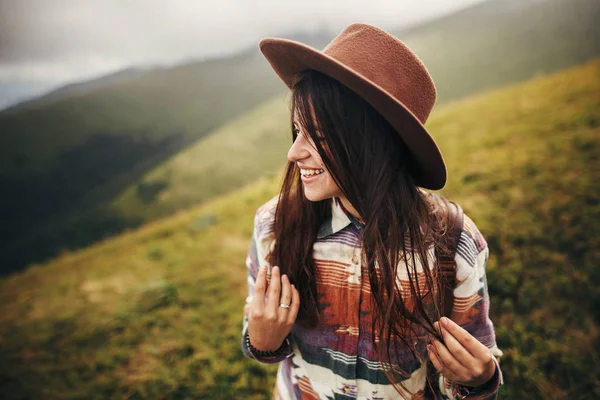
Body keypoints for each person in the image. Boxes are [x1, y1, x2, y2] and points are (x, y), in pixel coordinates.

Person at [241, 23, 504, 399]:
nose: (294, 152)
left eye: (319, 135)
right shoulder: (274, 225)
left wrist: (480, 378)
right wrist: (261, 339)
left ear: (372, 143)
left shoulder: (453, 240)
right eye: (297, 131)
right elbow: (258, 330)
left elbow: (475, 361)